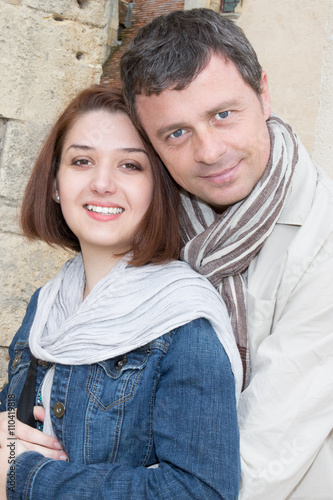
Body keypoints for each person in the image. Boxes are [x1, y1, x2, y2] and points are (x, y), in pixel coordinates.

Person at [120, 8, 333, 500]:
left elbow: (259, 462)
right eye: (176, 133)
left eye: (223, 114)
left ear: (263, 92)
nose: (210, 151)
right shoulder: (150, 220)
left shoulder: (321, 243)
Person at [0, 86, 242, 499]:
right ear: (56, 183)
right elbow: (13, 422)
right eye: (82, 161)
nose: (102, 183)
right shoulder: (49, 302)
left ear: (158, 189)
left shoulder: (182, 320)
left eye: (130, 165)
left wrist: (22, 479)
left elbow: (200, 491)